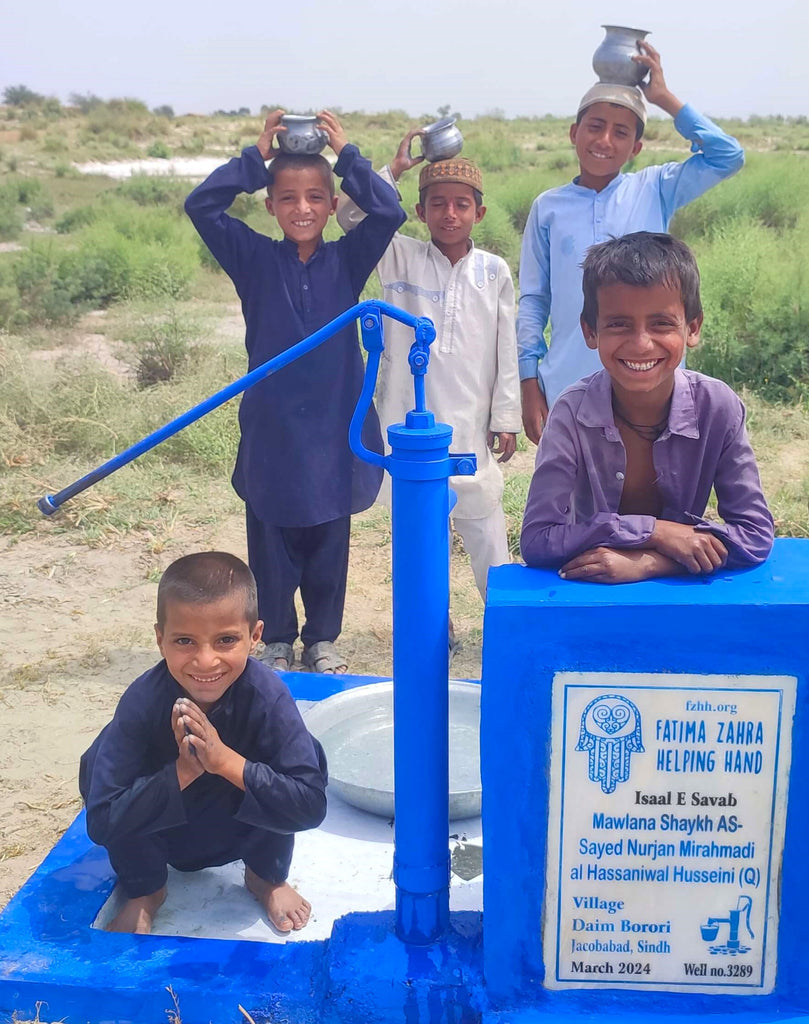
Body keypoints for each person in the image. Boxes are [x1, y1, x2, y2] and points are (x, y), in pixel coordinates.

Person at [185, 111, 405, 674]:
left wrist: (347, 153)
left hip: (335, 422)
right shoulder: (253, 258)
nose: (302, 208)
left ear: (332, 207)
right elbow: (201, 207)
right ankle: (278, 637)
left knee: (331, 532)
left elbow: (388, 210)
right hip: (274, 424)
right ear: (270, 205)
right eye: (287, 198)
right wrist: (252, 159)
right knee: (271, 534)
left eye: (314, 197)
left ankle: (322, 638)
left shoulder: (348, 259)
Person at [79, 551, 328, 935]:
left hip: (240, 828)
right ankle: (145, 889)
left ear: (255, 636)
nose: (206, 661)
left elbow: (310, 807)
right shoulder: (142, 702)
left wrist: (224, 761)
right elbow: (102, 822)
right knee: (97, 762)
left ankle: (266, 877)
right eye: (185, 641)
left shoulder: (268, 697)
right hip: (164, 833)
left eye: (226, 640)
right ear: (160, 639)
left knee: (307, 755)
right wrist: (183, 771)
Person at [518, 42, 745, 443]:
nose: (605, 140)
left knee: (651, 489)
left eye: (620, 132)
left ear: (635, 147)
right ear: (574, 133)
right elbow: (534, 299)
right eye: (595, 126)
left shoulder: (656, 187)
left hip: (651, 382)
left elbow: (728, 156)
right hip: (568, 383)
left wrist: (664, 98)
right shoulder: (548, 207)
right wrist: (528, 381)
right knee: (573, 495)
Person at [520, 232, 774, 583]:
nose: (641, 344)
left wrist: (651, 562)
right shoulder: (571, 414)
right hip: (590, 595)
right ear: (591, 331)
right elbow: (537, 540)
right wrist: (656, 532)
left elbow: (756, 534)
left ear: (693, 327)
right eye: (619, 324)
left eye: (662, 323)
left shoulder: (718, 407)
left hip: (681, 596)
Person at [336, 134, 521, 599]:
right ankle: (435, 629)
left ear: (479, 213)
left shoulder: (493, 271)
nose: (450, 214)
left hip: (471, 427)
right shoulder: (399, 254)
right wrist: (393, 172)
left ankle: (502, 622)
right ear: (420, 213)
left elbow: (507, 349)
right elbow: (350, 215)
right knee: (421, 542)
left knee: (488, 539)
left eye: (461, 205)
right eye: (438, 204)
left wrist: (506, 418)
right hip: (410, 430)